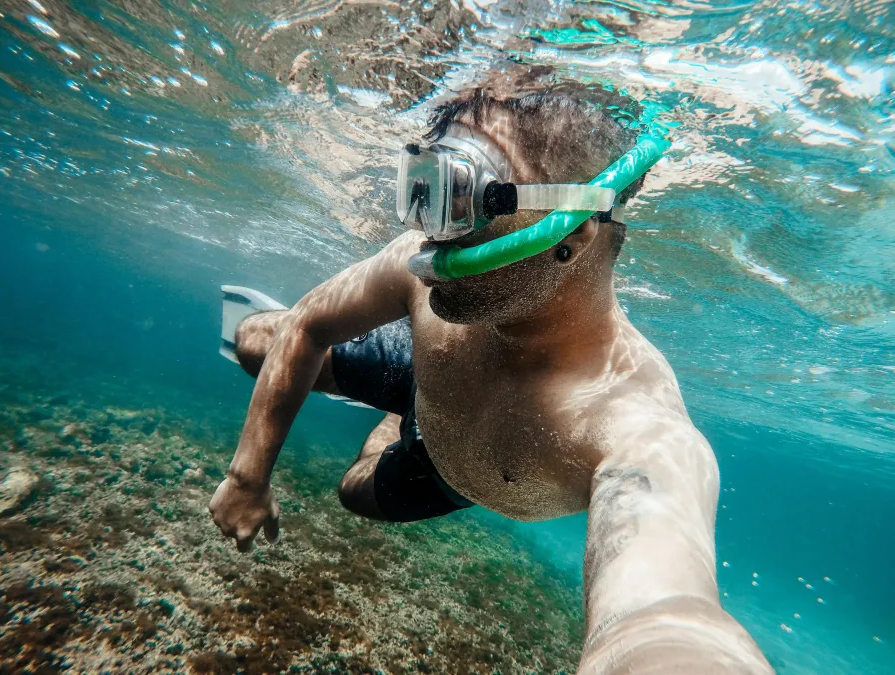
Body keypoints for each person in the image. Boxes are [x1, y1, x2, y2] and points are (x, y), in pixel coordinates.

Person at [209, 76, 773, 673]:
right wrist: (248, 477)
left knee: (357, 493)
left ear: (576, 229)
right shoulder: (419, 273)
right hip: (428, 366)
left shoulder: (633, 424)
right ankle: (408, 400)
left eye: (460, 194)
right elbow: (307, 325)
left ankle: (398, 420)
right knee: (254, 342)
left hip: (456, 469)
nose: (431, 232)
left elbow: (661, 618)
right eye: (420, 188)